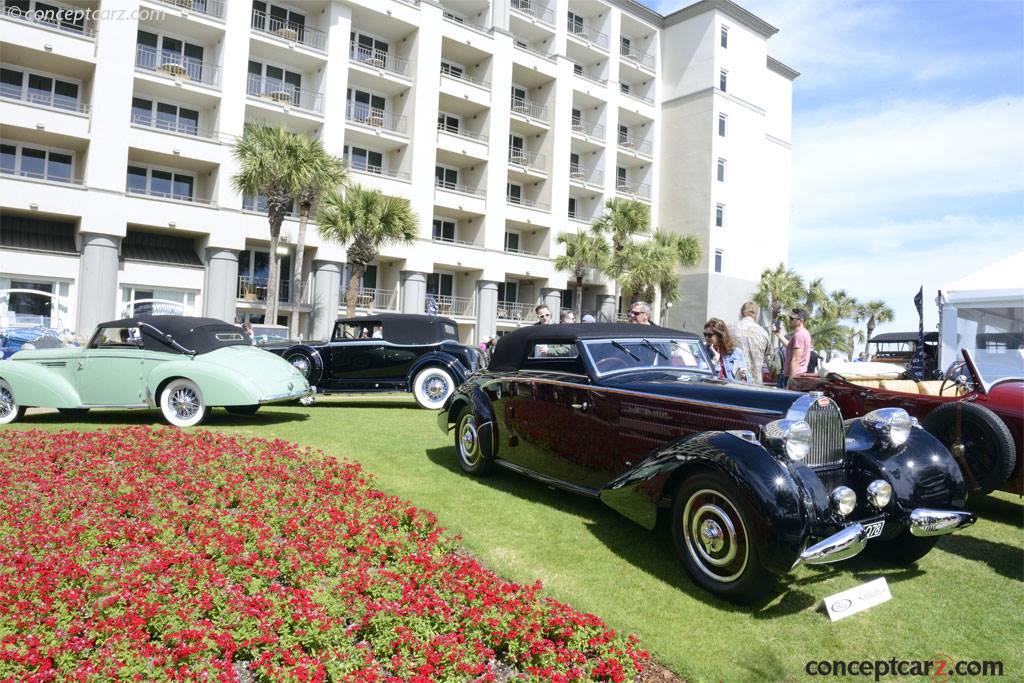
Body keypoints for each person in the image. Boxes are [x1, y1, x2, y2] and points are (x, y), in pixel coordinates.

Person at [731, 301, 771, 385]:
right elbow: (768, 357)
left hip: (734, 381)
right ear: (756, 315)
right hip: (755, 384)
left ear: (742, 313)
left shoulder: (731, 329)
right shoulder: (763, 333)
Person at [703, 318, 750, 383]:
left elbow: (747, 378)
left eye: (710, 335)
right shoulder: (702, 352)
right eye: (705, 334)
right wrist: (714, 361)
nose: (706, 338)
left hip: (731, 389)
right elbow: (700, 377)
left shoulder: (736, 352)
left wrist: (744, 376)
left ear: (720, 335)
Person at [777, 308, 812, 389]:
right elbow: (789, 346)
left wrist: (790, 381)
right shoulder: (804, 333)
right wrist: (778, 335)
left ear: (801, 321)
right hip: (798, 375)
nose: (789, 320)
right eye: (789, 317)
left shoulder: (799, 335)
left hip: (794, 376)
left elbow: (795, 359)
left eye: (792, 318)